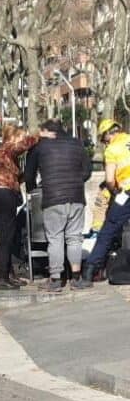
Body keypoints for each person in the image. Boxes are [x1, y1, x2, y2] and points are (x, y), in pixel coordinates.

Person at [24, 119, 91, 292]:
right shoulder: (77, 144)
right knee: (75, 238)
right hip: (76, 197)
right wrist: (75, 182)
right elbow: (87, 171)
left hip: (53, 198)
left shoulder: (40, 147)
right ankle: (76, 278)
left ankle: (55, 280)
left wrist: (32, 189)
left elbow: (29, 174)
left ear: (46, 131)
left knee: (55, 239)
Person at [0, 125, 38, 291]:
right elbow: (20, 147)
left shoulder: (5, 155)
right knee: (5, 239)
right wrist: (39, 136)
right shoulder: (6, 149)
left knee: (7, 237)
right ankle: (2, 278)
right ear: (13, 138)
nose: (22, 141)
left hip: (1, 195)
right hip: (3, 195)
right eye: (20, 137)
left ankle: (8, 275)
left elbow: (16, 177)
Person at [82, 119, 130, 287]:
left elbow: (110, 180)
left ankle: (89, 272)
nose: (105, 143)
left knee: (107, 231)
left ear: (108, 134)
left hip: (126, 193)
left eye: (104, 139)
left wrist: (114, 191)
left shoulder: (112, 149)